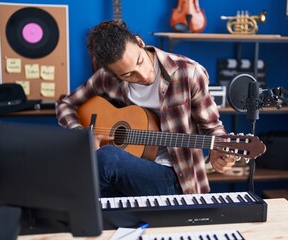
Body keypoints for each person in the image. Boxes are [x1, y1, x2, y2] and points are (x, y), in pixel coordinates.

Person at [56, 20, 236, 197]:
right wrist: (83, 135)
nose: (142, 75)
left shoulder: (189, 73)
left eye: (140, 61)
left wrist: (218, 150)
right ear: (112, 74)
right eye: (128, 74)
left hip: (176, 178)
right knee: (86, 165)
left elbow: (213, 127)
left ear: (140, 42)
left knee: (106, 158)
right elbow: (65, 104)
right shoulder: (106, 78)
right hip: (126, 175)